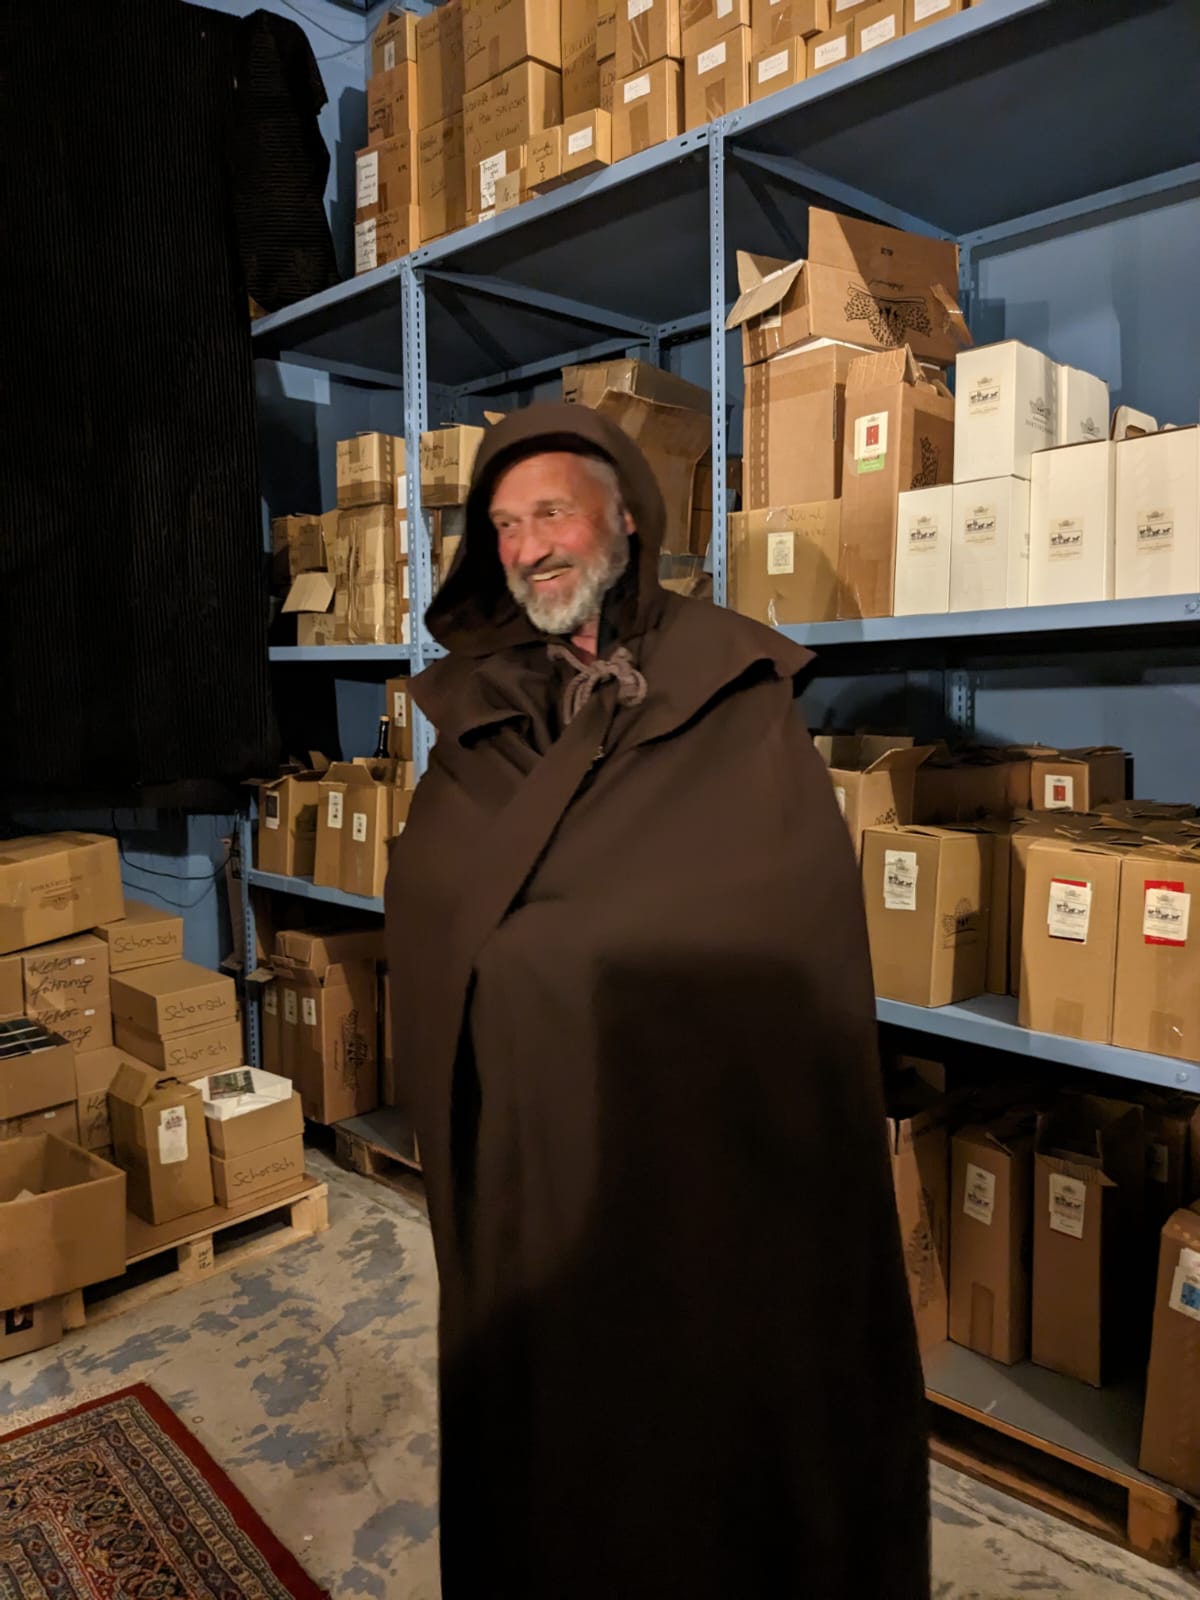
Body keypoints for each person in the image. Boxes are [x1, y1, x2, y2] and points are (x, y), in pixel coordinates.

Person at [386, 403, 929, 1599]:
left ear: (626, 514)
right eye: (504, 525)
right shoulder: (475, 712)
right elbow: (434, 911)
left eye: (553, 512)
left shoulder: (735, 690)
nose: (529, 546)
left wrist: (574, 951)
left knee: (705, 1429)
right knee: (557, 1432)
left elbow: (778, 921)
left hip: (704, 1166)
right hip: (534, 1153)